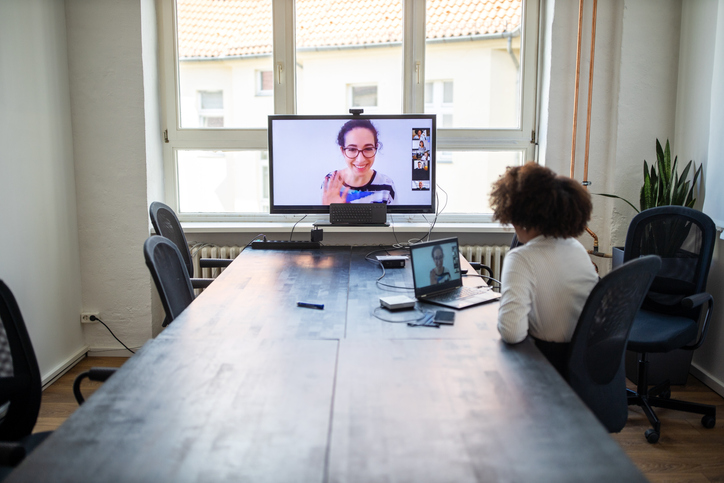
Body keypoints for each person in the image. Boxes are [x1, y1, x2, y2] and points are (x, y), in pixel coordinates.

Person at [489, 162, 598, 375]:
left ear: (520, 215)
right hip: (588, 362)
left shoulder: (521, 258)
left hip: (548, 366)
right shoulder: (575, 247)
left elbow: (512, 333)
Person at [321, 119, 396, 204]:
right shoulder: (331, 182)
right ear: (343, 151)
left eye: (368, 149)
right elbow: (324, 217)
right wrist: (329, 208)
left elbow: (392, 217)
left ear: (376, 148)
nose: (360, 160)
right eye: (352, 149)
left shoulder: (386, 185)